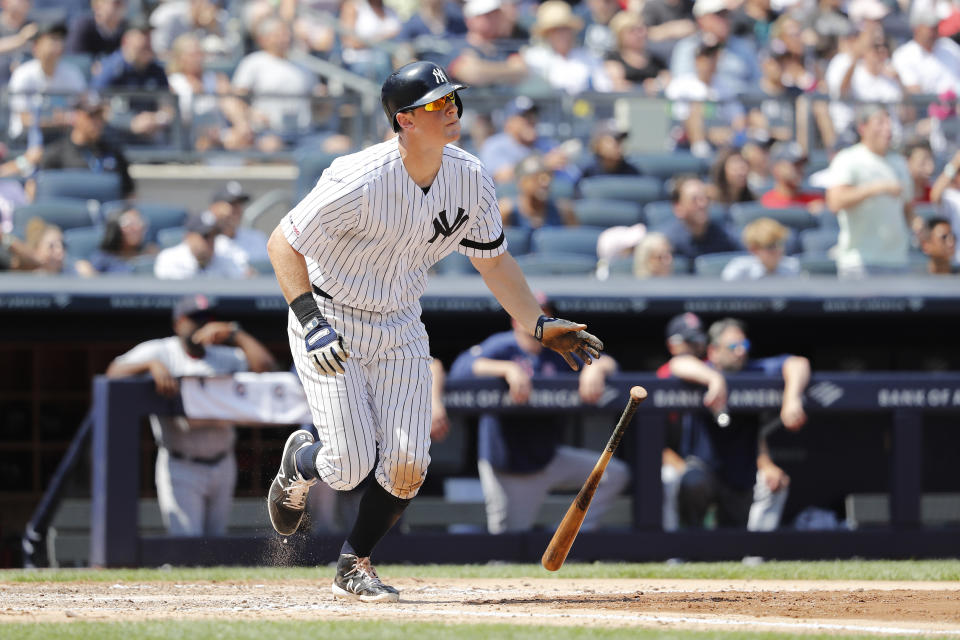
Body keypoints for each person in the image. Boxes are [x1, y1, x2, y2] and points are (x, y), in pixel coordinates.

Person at [264, 60, 605, 602]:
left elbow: (493, 261)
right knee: (348, 465)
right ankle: (299, 465)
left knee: (406, 466)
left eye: (453, 101)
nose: (450, 110)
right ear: (404, 120)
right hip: (331, 317)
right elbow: (282, 243)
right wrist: (310, 322)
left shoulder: (469, 176)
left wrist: (537, 323)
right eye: (435, 104)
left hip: (399, 321)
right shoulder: (356, 176)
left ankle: (355, 563)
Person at [449, 296, 627, 534]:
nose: (537, 321)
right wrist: (507, 368)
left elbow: (609, 363)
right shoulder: (502, 346)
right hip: (508, 466)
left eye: (544, 316)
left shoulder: (559, 348)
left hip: (548, 457)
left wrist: (596, 370)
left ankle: (563, 536)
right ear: (515, 320)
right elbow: (462, 368)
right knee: (507, 549)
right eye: (530, 314)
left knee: (614, 474)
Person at [105, 294, 277, 536]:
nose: (202, 324)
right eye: (194, 318)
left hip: (223, 461)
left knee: (216, 546)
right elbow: (113, 373)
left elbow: (266, 369)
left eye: (207, 318)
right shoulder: (161, 351)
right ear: (177, 323)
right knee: (186, 542)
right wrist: (149, 365)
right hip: (181, 464)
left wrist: (236, 334)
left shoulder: (223, 355)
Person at [662, 317, 810, 530]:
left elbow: (798, 363)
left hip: (742, 471)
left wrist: (792, 397)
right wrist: (714, 379)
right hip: (705, 468)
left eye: (744, 345)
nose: (740, 351)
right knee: (691, 481)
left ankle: (755, 556)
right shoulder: (703, 368)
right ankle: (681, 550)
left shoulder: (754, 370)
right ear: (713, 351)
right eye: (733, 346)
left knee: (773, 484)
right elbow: (678, 363)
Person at [825, 105, 915, 278]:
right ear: (863, 128)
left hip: (898, 260)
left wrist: (917, 225)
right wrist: (877, 188)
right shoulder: (848, 158)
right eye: (880, 122)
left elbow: (907, 208)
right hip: (860, 262)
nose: (887, 128)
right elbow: (835, 201)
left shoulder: (899, 162)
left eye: (889, 122)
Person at [35, 92, 135, 198]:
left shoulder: (113, 152)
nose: (97, 122)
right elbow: (41, 192)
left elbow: (129, 193)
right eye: (91, 116)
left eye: (100, 116)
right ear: (76, 116)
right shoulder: (56, 154)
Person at [92, 19, 174, 142]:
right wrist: (130, 122)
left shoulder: (156, 70)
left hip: (150, 139)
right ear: (126, 40)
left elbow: (168, 106)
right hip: (115, 140)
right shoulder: (112, 68)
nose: (147, 42)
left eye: (149, 36)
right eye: (142, 36)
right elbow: (96, 105)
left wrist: (157, 119)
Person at [7, 20, 87, 143]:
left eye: (60, 39)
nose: (58, 44)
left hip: (62, 137)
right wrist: (56, 119)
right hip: (26, 138)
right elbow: (24, 119)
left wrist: (72, 117)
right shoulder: (23, 74)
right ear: (36, 46)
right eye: (52, 39)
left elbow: (86, 104)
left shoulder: (72, 73)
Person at [521, 0, 613, 95]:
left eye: (565, 29)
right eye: (555, 30)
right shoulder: (533, 58)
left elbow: (604, 90)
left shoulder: (590, 58)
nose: (562, 34)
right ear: (547, 34)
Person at [661, 175, 741, 270]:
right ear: (678, 208)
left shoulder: (725, 236)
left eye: (705, 198)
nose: (703, 204)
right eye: (694, 200)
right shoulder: (667, 242)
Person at [446, 0, 528, 88]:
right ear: (470, 20)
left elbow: (521, 71)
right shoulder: (455, 46)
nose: (494, 19)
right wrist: (508, 69)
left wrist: (481, 68)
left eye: (496, 14)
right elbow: (472, 74)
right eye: (487, 15)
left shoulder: (506, 46)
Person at [154, 209, 249, 279]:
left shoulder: (223, 259)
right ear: (188, 237)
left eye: (214, 236)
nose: (210, 241)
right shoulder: (169, 258)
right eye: (205, 236)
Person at [891, 8, 960, 96]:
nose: (934, 31)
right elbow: (914, 91)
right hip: (926, 107)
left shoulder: (950, 46)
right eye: (930, 28)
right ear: (916, 29)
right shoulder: (903, 55)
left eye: (936, 27)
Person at [498, 154, 576, 229]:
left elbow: (573, 240)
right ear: (522, 182)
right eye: (536, 178)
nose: (545, 183)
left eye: (548, 177)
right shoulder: (506, 211)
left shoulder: (564, 211)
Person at [604, 10, 669, 94]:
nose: (640, 34)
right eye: (632, 30)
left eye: (641, 29)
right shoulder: (613, 58)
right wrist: (643, 88)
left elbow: (667, 81)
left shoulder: (656, 60)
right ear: (620, 35)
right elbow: (616, 85)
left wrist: (657, 84)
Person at [209, 180, 270, 268]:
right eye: (231, 203)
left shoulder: (257, 238)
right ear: (214, 208)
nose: (236, 209)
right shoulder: (207, 240)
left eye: (239, 203)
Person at [721, 217, 800, 280]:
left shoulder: (792, 267)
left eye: (780, 243)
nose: (779, 250)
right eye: (770, 246)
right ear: (754, 250)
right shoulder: (738, 270)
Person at [88, 205, 157, 274]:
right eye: (130, 224)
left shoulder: (151, 254)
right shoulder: (103, 258)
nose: (137, 228)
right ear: (115, 229)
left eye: (139, 223)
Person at [760, 142, 825, 212]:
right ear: (776, 169)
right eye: (794, 165)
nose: (799, 169)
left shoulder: (816, 200)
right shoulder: (766, 203)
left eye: (801, 164)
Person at [23, 217, 96, 276]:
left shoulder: (78, 270)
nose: (60, 250)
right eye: (51, 246)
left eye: (62, 245)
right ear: (36, 249)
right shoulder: (30, 279)